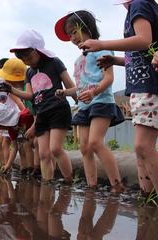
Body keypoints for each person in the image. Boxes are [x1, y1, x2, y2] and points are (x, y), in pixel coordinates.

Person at [79, 0, 158, 194]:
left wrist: (101, 45)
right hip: (140, 87)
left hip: (148, 85)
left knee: (142, 147)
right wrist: (115, 60)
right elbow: (139, 55)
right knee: (140, 153)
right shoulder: (137, 9)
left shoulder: (139, 4)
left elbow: (144, 40)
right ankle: (146, 196)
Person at [54, 10, 125, 192]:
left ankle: (117, 185)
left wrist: (94, 92)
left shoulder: (102, 49)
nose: (72, 38)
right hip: (84, 106)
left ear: (85, 27)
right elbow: (80, 87)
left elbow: (108, 78)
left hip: (101, 101)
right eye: (69, 35)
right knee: (84, 147)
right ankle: (91, 186)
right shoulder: (78, 61)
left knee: (95, 142)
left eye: (74, 32)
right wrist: (65, 92)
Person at [0, 29, 75, 183]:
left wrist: (77, 98)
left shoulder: (54, 62)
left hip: (58, 109)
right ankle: (48, 183)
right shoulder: (29, 73)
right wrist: (11, 89)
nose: (27, 61)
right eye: (22, 58)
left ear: (38, 50)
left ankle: (68, 182)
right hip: (41, 114)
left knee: (55, 149)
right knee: (43, 154)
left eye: (28, 56)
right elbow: (30, 96)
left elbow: (69, 83)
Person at [0, 102, 34, 174]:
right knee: (21, 145)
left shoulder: (25, 116)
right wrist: (8, 165)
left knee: (26, 144)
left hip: (41, 131)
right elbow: (14, 147)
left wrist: (33, 129)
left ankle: (32, 168)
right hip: (31, 137)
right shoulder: (11, 129)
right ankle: (25, 169)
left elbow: (38, 118)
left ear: (3, 121)